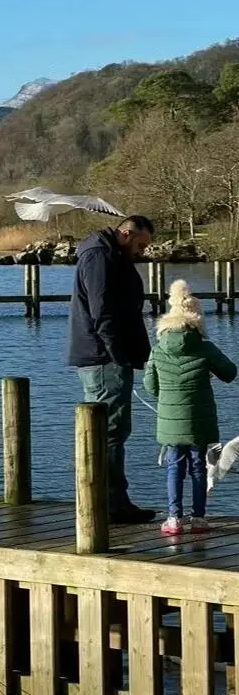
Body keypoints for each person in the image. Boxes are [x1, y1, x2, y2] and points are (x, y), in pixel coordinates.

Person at [67, 215, 155, 524]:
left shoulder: (109, 253)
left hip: (107, 355)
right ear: (126, 233)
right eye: (141, 245)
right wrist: (118, 354)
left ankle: (110, 500)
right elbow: (101, 310)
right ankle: (112, 504)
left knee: (110, 430)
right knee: (111, 430)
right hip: (102, 356)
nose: (142, 252)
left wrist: (140, 356)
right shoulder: (100, 256)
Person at [143, 279, 237, 535]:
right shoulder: (205, 348)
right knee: (198, 466)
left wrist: (168, 397)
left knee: (174, 465)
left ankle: (173, 518)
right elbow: (230, 373)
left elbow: (150, 385)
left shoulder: (158, 350)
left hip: (170, 416)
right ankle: (198, 519)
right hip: (199, 417)